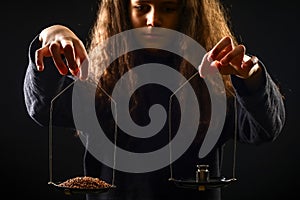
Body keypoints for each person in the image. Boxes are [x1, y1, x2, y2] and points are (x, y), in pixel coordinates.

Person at [23, 0, 286, 199]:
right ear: (121, 10)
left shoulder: (214, 75)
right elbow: (43, 108)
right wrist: (52, 34)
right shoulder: (98, 79)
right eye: (141, 6)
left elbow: (264, 129)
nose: (153, 19)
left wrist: (251, 77)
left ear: (187, 12)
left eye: (169, 7)